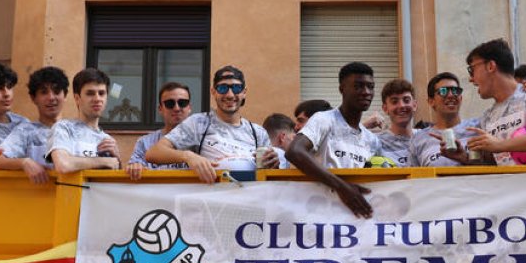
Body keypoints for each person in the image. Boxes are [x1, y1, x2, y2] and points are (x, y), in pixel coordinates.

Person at [285, 62, 382, 218]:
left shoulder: (372, 140)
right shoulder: (324, 120)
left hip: (355, 218)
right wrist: (342, 187)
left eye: (370, 87)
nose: (366, 92)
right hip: (318, 214)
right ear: (342, 89)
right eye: (358, 86)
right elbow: (294, 151)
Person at [147, 66, 278, 181]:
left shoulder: (258, 132)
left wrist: (274, 165)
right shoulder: (199, 123)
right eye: (222, 88)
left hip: (250, 198)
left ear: (244, 92)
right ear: (213, 92)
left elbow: (270, 177)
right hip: (212, 199)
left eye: (236, 88)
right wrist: (189, 157)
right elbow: (154, 153)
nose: (230, 95)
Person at [0, 66, 70, 183]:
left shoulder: (78, 131)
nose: (51, 97)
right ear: (33, 98)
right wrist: (24, 162)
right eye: (44, 92)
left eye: (56, 91)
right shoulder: (25, 131)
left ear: (65, 95)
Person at [47, 68, 123, 173]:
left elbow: (114, 177)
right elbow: (63, 165)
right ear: (77, 98)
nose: (97, 99)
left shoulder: (107, 139)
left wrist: (117, 159)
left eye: (101, 93)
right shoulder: (64, 128)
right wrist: (104, 161)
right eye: (90, 93)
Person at [409, 72, 479, 167]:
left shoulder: (477, 129)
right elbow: (414, 175)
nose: (451, 95)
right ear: (431, 101)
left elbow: (495, 166)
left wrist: (466, 158)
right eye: (443, 91)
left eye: (455, 90)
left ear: (461, 98)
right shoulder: (418, 140)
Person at [126, 82, 193, 178]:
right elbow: (133, 171)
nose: (176, 108)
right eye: (170, 104)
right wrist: (135, 167)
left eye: (182, 103)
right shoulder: (144, 143)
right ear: (160, 109)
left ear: (189, 107)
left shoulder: (202, 141)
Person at [375, 79, 418, 167]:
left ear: (414, 105)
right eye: (394, 102)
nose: (401, 105)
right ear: (385, 108)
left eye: (406, 100)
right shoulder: (375, 142)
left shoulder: (426, 138)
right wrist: (365, 125)